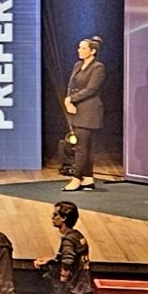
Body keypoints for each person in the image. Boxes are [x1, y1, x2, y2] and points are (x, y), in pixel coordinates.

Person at [62, 36, 107, 190]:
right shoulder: (78, 65)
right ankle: (88, 179)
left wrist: (71, 99)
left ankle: (76, 179)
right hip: (76, 109)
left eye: (83, 48)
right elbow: (71, 85)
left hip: (89, 111)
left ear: (92, 51)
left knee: (82, 146)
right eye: (79, 48)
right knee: (84, 146)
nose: (79, 51)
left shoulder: (98, 68)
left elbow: (91, 89)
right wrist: (69, 101)